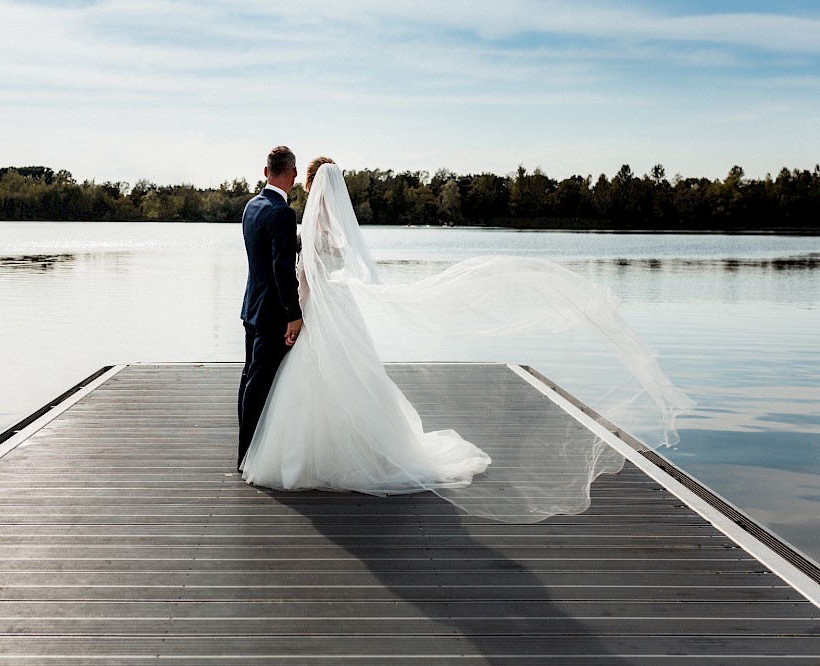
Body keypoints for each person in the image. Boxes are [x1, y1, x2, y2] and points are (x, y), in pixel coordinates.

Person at [240, 158, 695, 523]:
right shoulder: (316, 223)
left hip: (318, 307)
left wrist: (297, 307)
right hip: (330, 306)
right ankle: (342, 450)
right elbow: (313, 267)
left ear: (309, 184)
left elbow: (299, 271)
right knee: (344, 378)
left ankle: (289, 455)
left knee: (306, 379)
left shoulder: (292, 218)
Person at [237, 146, 304, 466]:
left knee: (249, 376)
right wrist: (294, 314)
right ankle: (249, 455)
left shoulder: (252, 206)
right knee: (259, 381)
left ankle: (245, 450)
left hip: (252, 305)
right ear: (292, 174)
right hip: (272, 313)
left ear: (266, 172)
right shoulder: (282, 213)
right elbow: (281, 268)